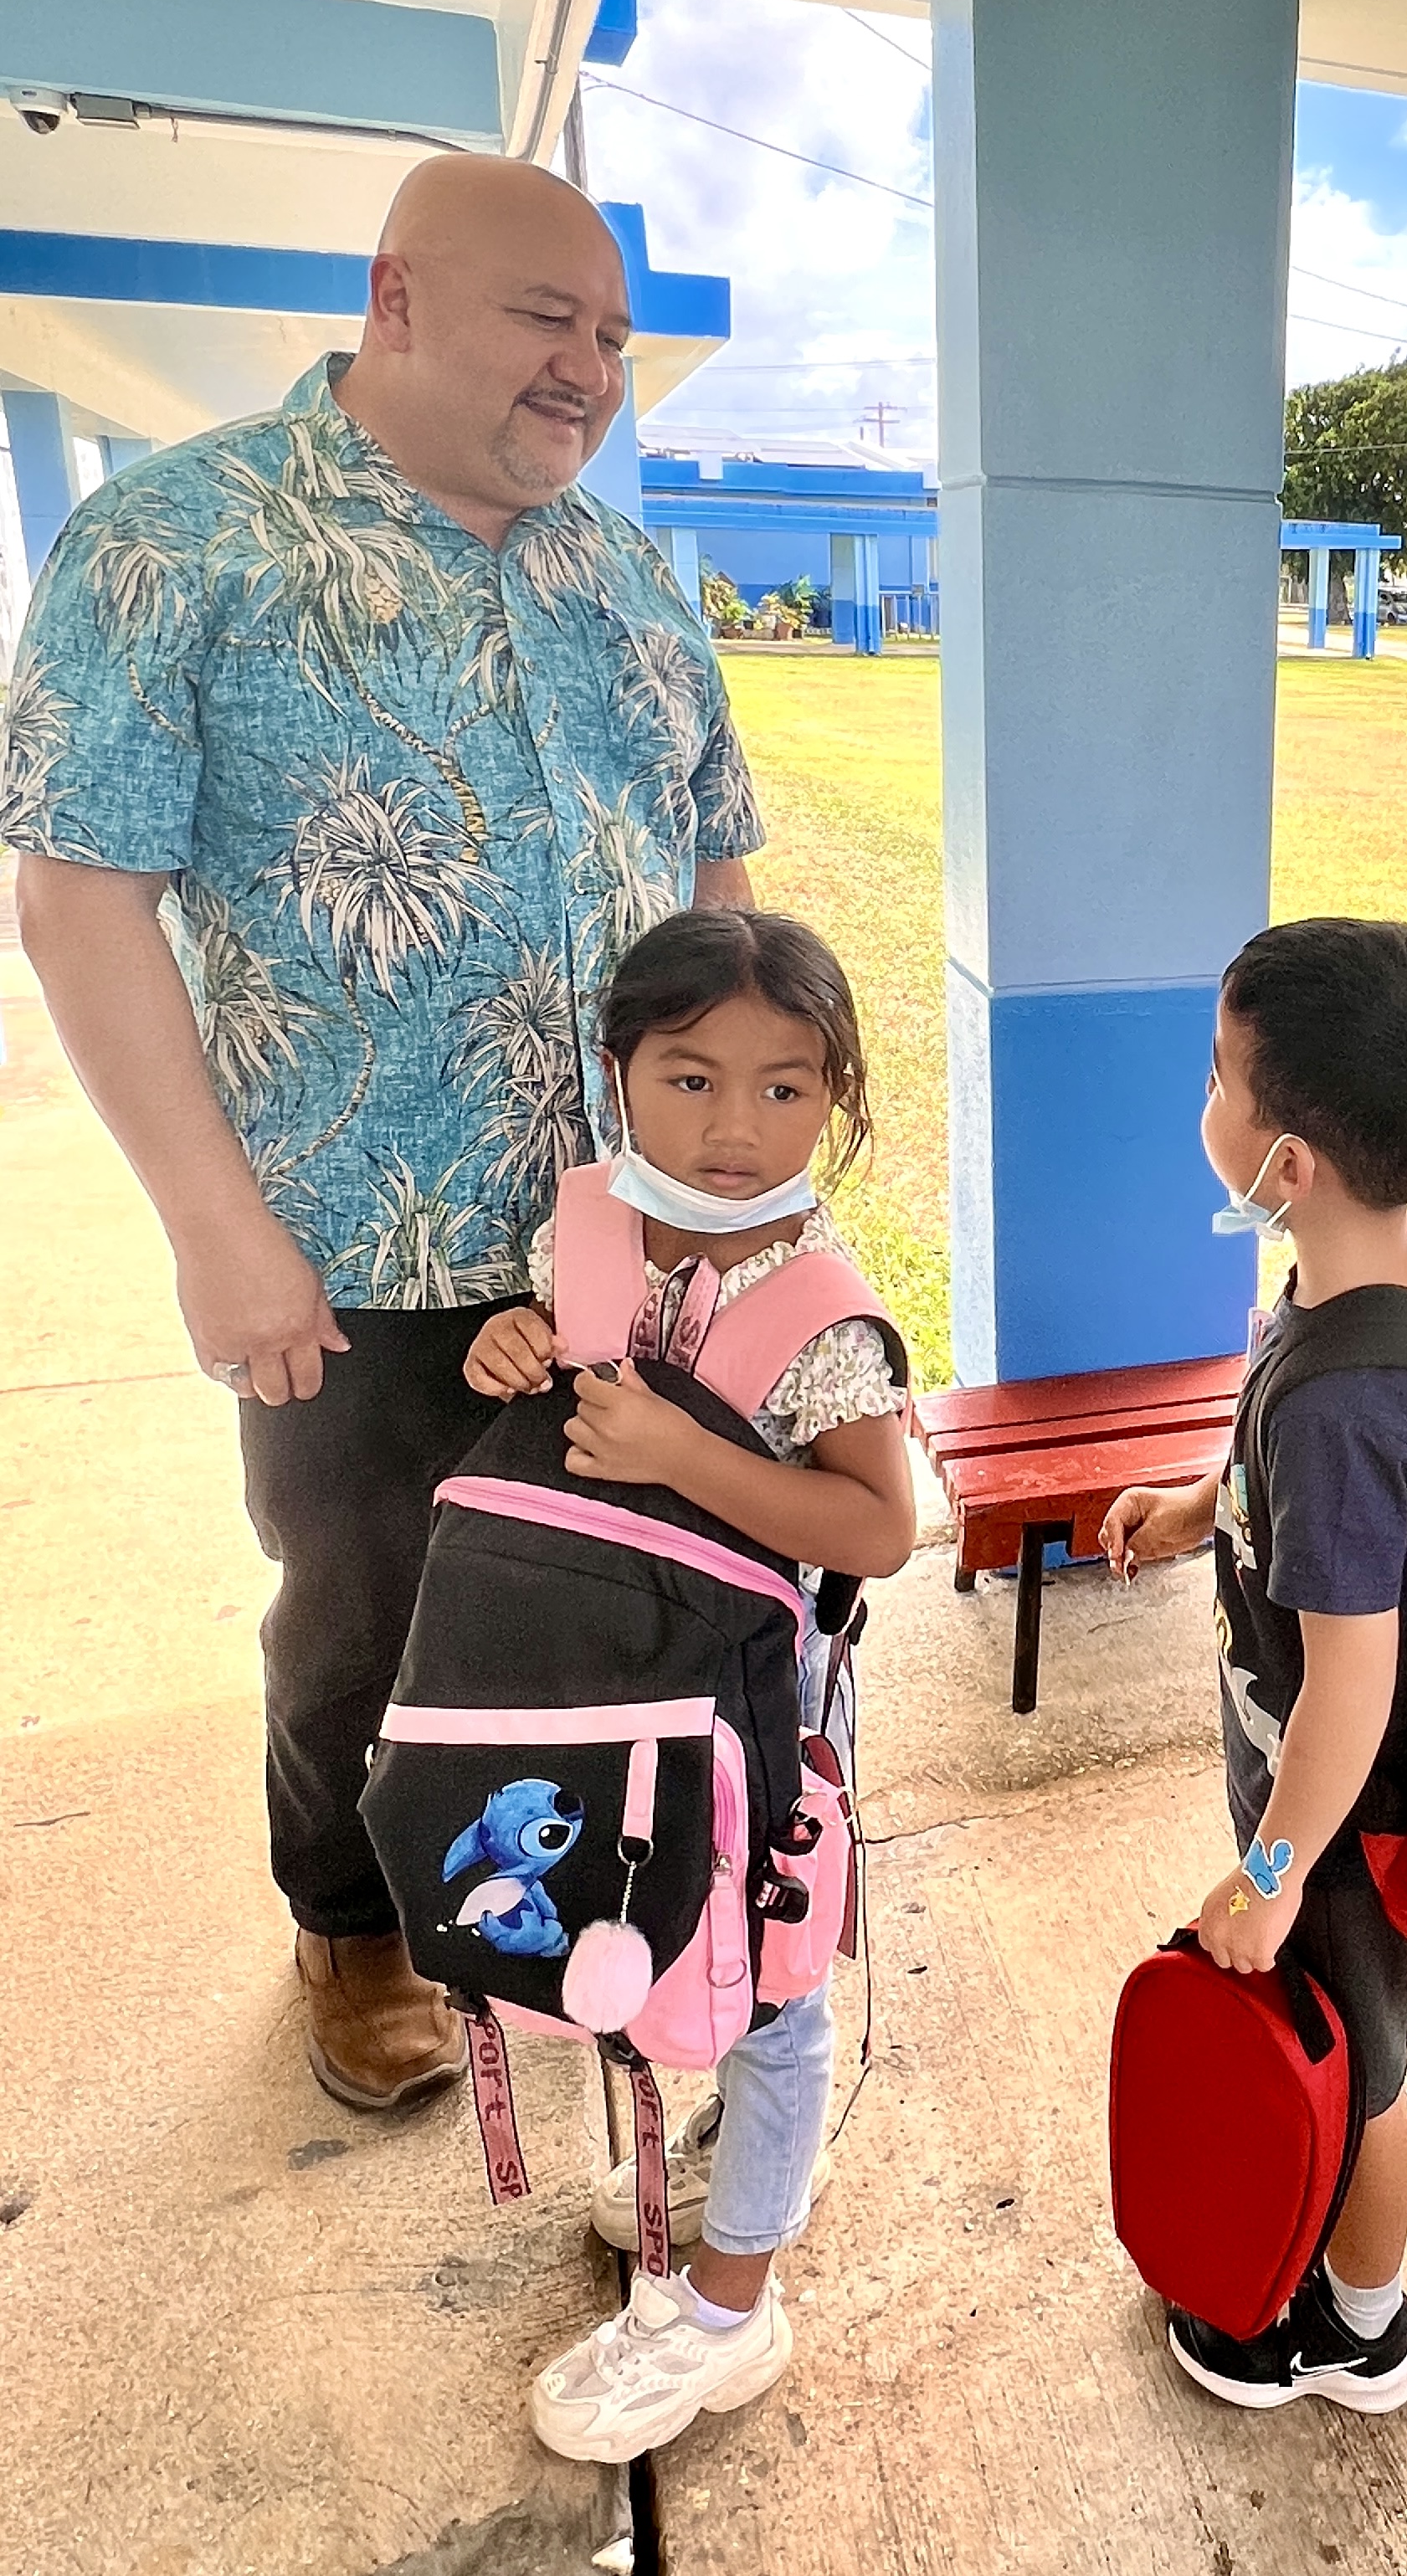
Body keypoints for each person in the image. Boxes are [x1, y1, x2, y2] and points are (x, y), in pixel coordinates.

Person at [0, 158, 764, 2110]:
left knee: (612, 1586)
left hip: (631, 1228)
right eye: (547, 320)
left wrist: (737, 1180)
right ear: (398, 298)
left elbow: (717, 869)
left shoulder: (622, 576)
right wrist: (210, 1225)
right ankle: (354, 1931)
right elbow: (81, 893)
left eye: (609, 336)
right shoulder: (181, 541)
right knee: (362, 1617)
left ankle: (555, 1894)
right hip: (346, 1243)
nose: (591, 370)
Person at [461, 905, 914, 2460]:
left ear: (834, 1100)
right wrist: (518, 1342)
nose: (735, 1126)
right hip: (604, 1703)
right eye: (691, 1077)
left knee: (774, 2000)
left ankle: (730, 2301)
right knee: (647, 1940)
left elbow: (880, 1527)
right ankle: (717, 2137)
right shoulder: (588, 1230)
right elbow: (569, 1410)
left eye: (786, 1088)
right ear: (619, 1075)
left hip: (759, 1732)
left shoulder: (821, 1313)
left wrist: (685, 1457)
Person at [1102, 915, 1407, 2415]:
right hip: (1313, 1797)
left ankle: (1359, 2331)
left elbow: (1352, 1681)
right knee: (1341, 2044)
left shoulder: (1349, 1401)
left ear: (1288, 1163)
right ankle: (1335, 2286)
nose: (1201, 1100)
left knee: (1361, 2074)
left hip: (1343, 1823)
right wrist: (1202, 1500)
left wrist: (1275, 1871)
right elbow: (1310, 1492)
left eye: (1219, 1076)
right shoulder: (1372, 1277)